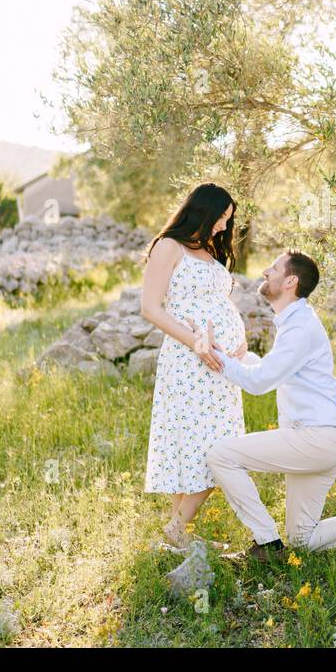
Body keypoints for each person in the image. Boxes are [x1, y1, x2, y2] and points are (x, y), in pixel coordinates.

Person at [190, 249, 336, 563]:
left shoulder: (299, 329)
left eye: (274, 267)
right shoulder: (296, 323)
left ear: (290, 281)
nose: (267, 271)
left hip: (313, 439)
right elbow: (270, 372)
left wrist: (220, 359)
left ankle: (267, 543)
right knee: (303, 540)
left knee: (220, 455)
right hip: (322, 442)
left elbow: (258, 383)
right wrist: (234, 358)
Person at [140, 182, 249, 549]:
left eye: (226, 221)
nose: (222, 226)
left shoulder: (208, 250)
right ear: (202, 210)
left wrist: (241, 337)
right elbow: (151, 308)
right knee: (210, 449)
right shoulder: (168, 247)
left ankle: (178, 534)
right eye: (220, 217)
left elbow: (220, 304)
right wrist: (198, 342)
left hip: (220, 366)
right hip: (190, 362)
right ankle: (176, 529)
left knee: (210, 444)